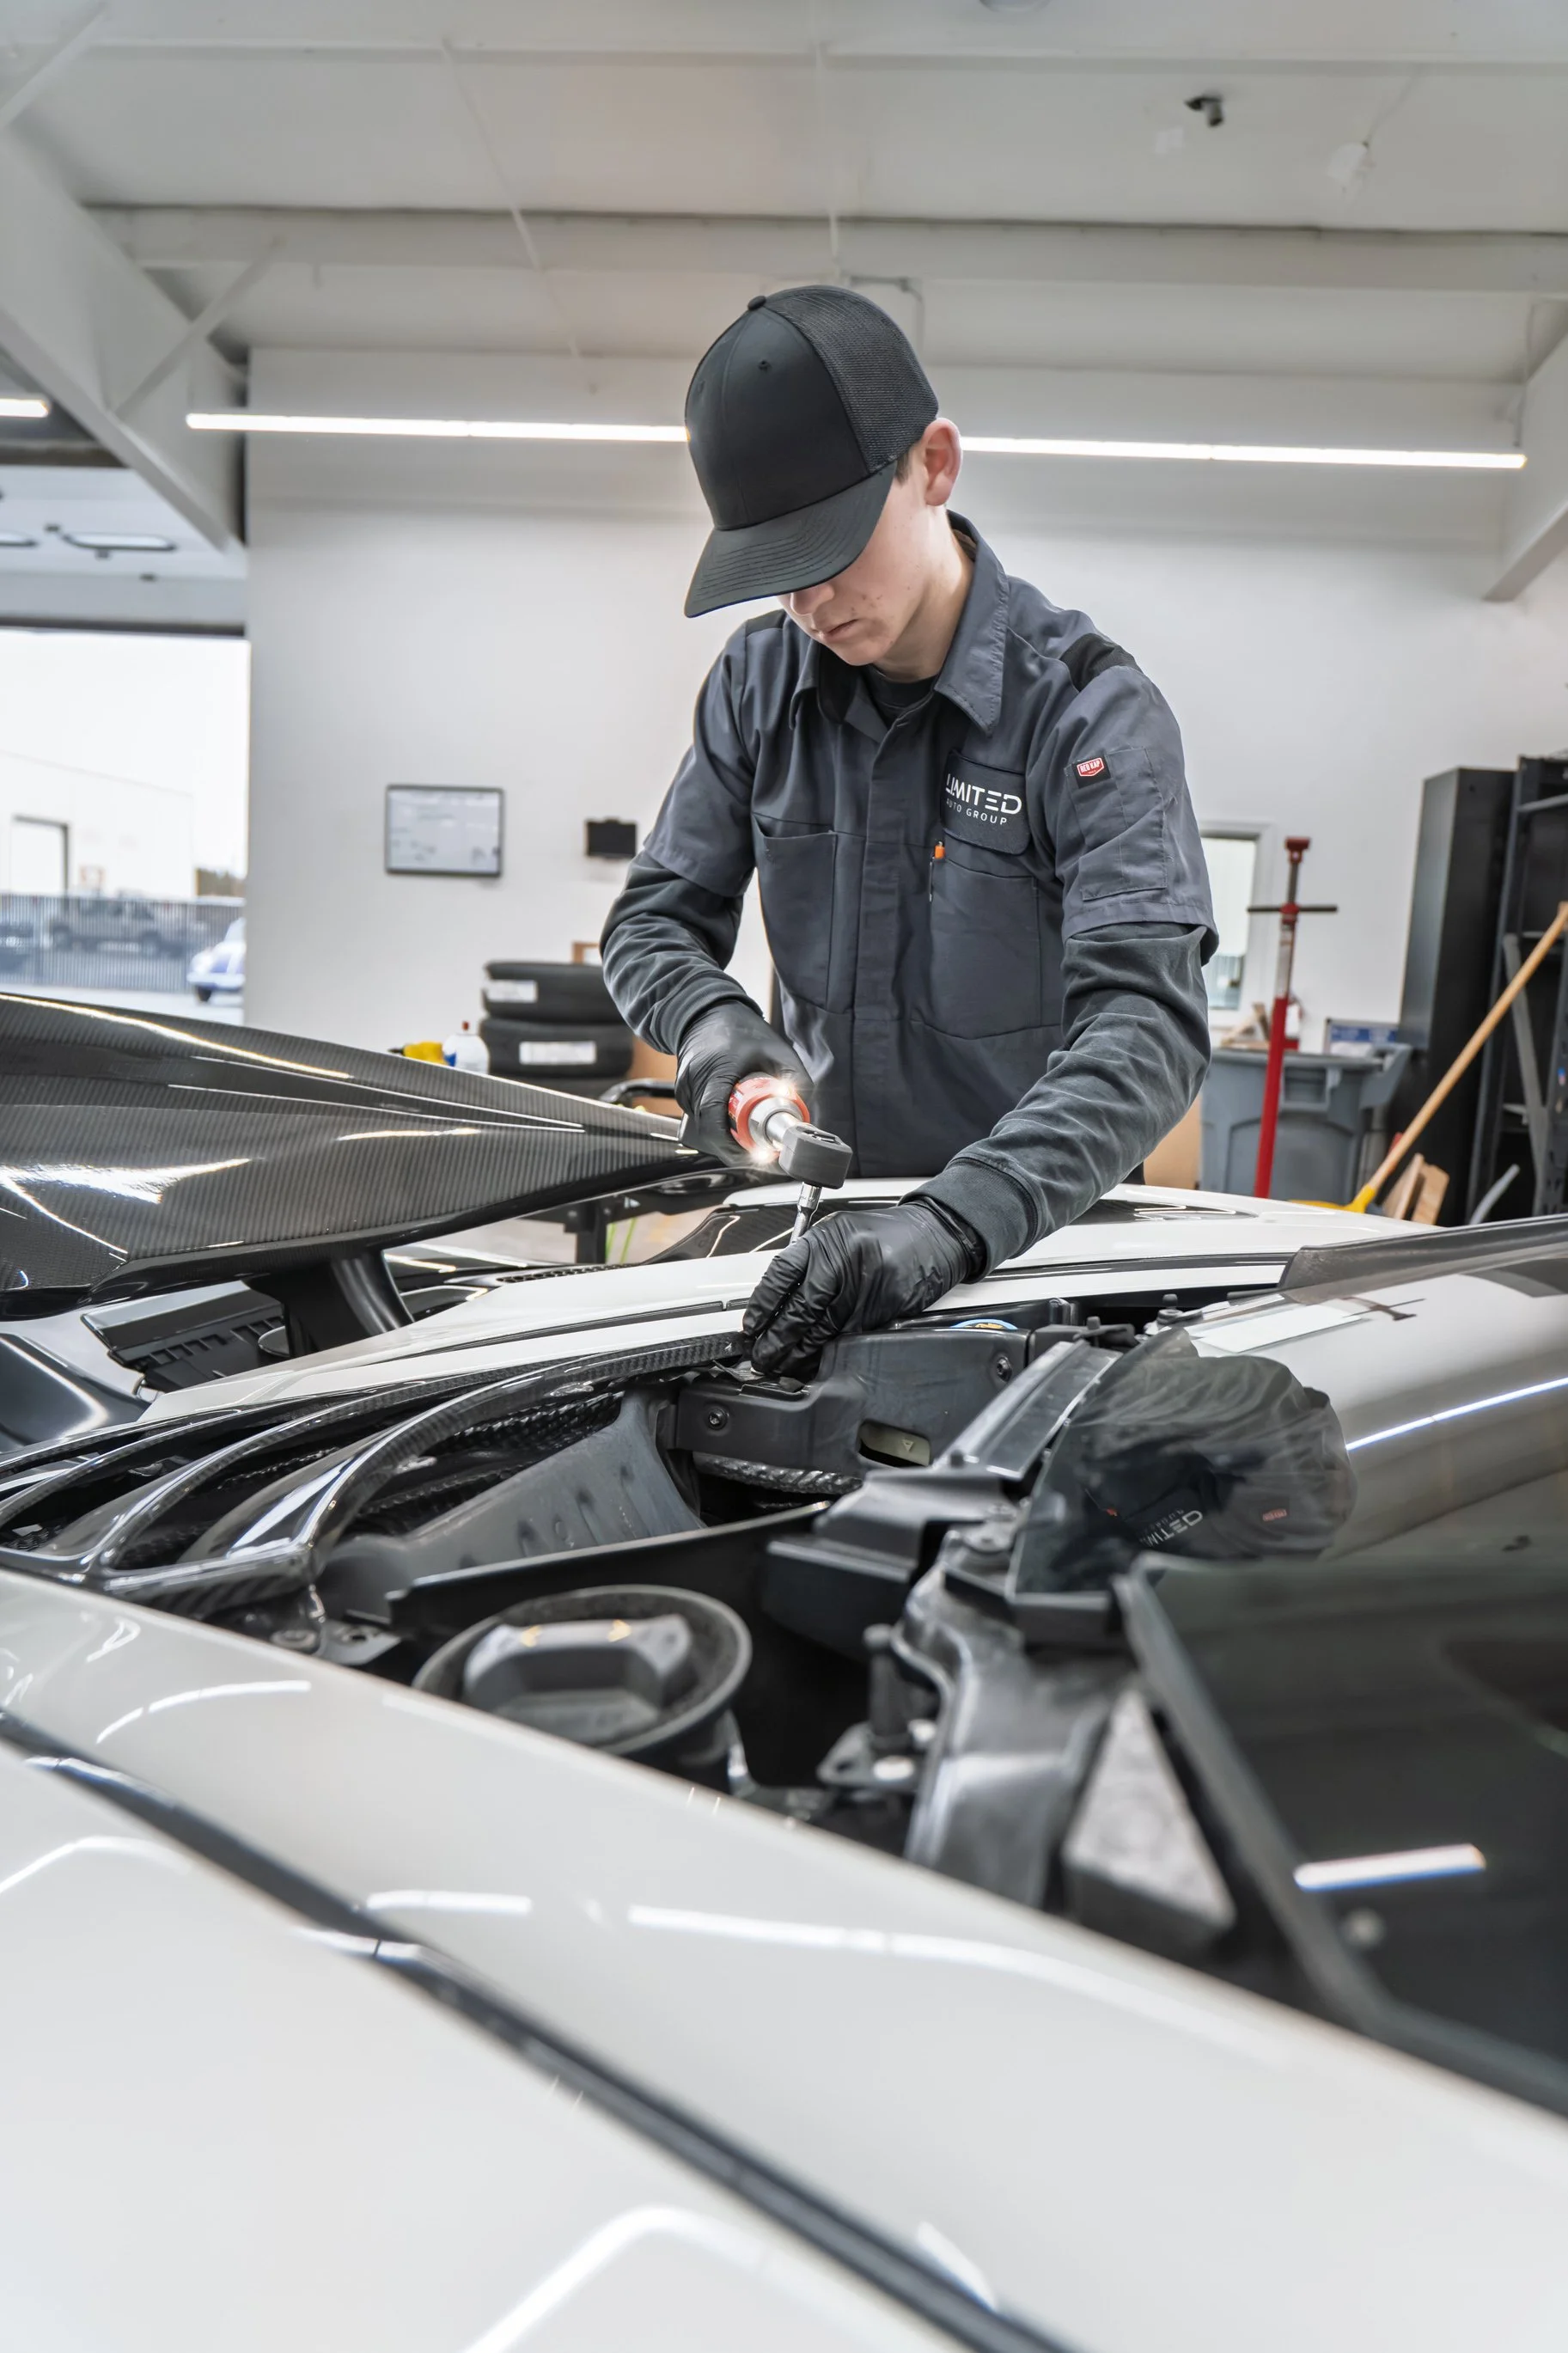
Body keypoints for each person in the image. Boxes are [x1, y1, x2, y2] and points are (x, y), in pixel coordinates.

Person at [601, 284, 1215, 1374]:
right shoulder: (758, 683)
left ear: (932, 464)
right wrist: (716, 1037)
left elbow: (1146, 1027)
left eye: (832, 546)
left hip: (1029, 1248)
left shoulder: (1089, 713)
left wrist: (953, 1221)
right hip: (823, 1231)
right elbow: (653, 922)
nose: (810, 603)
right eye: (775, 570)